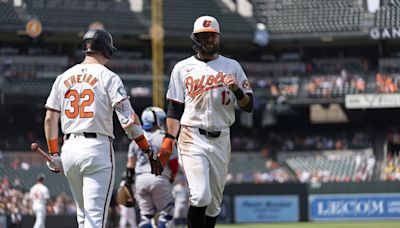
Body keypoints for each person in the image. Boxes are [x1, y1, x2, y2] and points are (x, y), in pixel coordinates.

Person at [43, 29, 162, 228]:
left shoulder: (63, 77)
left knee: (83, 218)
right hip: (96, 148)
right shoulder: (109, 77)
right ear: (107, 50)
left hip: (69, 150)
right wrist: (147, 149)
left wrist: (53, 152)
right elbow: (129, 121)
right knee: (95, 220)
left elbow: (49, 119)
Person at [158, 15, 253, 228]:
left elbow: (248, 105)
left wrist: (237, 90)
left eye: (212, 36)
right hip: (192, 135)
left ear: (218, 38)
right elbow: (174, 109)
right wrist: (168, 140)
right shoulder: (182, 68)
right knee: (200, 196)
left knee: (213, 205)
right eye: (204, 36)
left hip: (221, 137)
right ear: (196, 39)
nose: (209, 40)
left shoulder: (232, 66)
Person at [124, 106, 178, 228]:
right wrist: (173, 176)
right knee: (167, 213)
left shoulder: (136, 138)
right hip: (159, 178)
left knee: (146, 217)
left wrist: (128, 182)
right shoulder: (165, 137)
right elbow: (173, 162)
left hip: (140, 180)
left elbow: (130, 164)